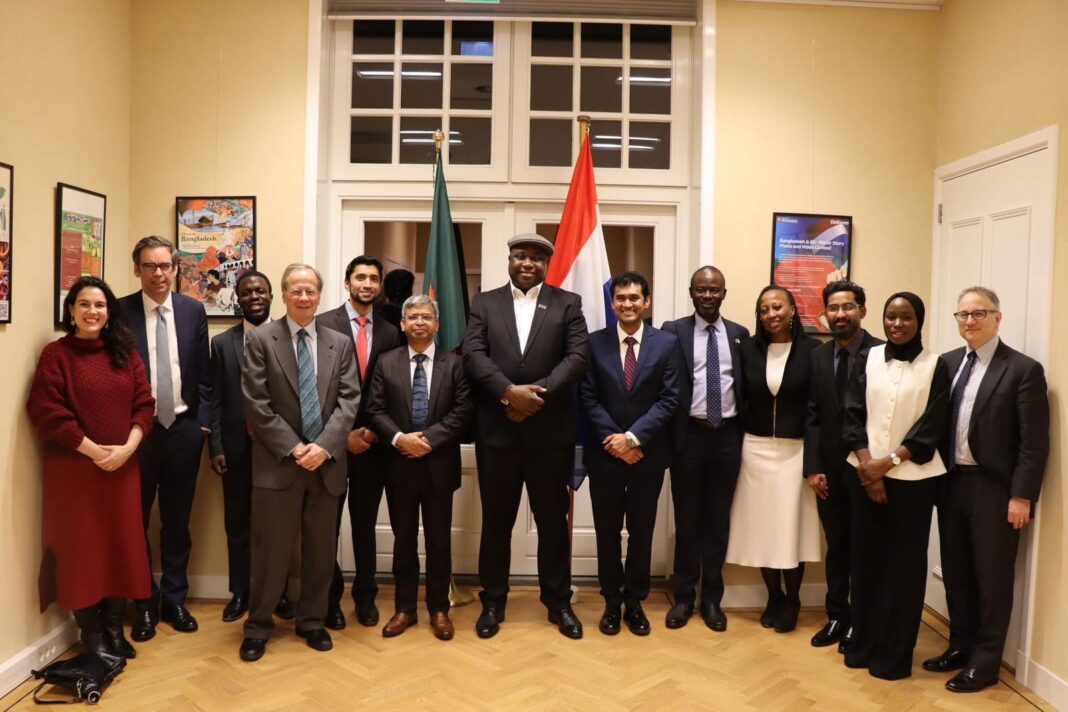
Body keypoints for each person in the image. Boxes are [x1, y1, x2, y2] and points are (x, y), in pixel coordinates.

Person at [923, 287, 1049, 693]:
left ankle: (985, 662)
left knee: (992, 580)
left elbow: (1033, 443)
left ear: (997, 318)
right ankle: (960, 646)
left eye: (979, 313)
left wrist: (1022, 495)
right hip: (950, 484)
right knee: (957, 573)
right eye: (963, 314)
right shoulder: (947, 363)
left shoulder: (1023, 370)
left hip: (995, 490)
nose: (970, 321)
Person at [463, 233, 589, 640]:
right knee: (496, 523)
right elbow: (473, 355)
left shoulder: (568, 303)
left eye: (536, 258)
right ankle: (493, 602)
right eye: (521, 256)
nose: (528, 263)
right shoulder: (485, 303)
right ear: (510, 260)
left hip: (549, 435)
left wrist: (536, 396)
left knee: (552, 523)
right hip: (497, 434)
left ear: (546, 264)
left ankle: (558, 602)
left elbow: (577, 357)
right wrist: (508, 392)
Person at [28, 276, 155, 659]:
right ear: (71, 311)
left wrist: (127, 449)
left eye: (99, 305)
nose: (92, 311)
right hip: (74, 473)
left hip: (122, 469)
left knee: (120, 545)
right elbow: (47, 411)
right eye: (83, 304)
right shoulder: (56, 355)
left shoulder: (126, 354)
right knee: (81, 550)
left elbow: (144, 404)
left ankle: (114, 626)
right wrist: (94, 451)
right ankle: (93, 633)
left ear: (109, 312)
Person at [239, 264, 360, 662]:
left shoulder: (339, 343)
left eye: (310, 290)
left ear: (319, 295)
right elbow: (256, 403)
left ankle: (312, 621)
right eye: (296, 290)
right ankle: (258, 626)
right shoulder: (261, 339)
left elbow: (349, 401)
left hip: (326, 466)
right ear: (284, 294)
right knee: (270, 553)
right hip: (278, 465)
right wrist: (295, 448)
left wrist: (323, 447)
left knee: (321, 552)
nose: (304, 297)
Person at [842, 292, 950, 680]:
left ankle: (893, 656)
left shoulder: (936, 365)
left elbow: (932, 426)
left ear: (919, 321)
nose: (897, 324)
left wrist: (887, 464)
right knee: (865, 563)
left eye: (906, 317)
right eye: (891, 316)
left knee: (903, 570)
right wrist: (869, 468)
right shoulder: (868, 358)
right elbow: (852, 413)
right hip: (864, 475)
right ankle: (863, 644)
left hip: (913, 482)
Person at [578, 272, 683, 637]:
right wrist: (616, 441)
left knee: (641, 531)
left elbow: (669, 398)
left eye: (634, 298)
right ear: (612, 303)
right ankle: (611, 601)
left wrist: (634, 439)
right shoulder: (594, 343)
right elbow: (588, 397)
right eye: (621, 298)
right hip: (605, 456)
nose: (627, 304)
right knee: (607, 532)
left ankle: (635, 602)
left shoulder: (667, 344)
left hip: (647, 456)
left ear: (646, 302)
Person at [119, 235, 212, 641]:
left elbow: (204, 374)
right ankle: (143, 602)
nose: (158, 273)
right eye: (150, 266)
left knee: (177, 522)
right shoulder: (119, 312)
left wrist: (202, 425)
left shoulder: (193, 311)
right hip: (137, 434)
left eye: (165, 266)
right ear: (136, 269)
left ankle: (174, 600)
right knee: (134, 520)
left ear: (175, 268)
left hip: (184, 431)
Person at [367, 295, 474, 641]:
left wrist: (427, 439)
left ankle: (439, 609)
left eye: (426, 317)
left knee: (439, 541)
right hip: (398, 466)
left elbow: (462, 411)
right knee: (404, 542)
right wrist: (400, 439)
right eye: (412, 316)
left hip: (439, 465)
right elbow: (375, 409)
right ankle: (405, 608)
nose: (419, 322)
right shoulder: (385, 362)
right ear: (402, 324)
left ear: (437, 324)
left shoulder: (455, 364)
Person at [726, 286, 820, 633]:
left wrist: (815, 462)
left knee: (790, 529)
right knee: (763, 529)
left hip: (795, 452)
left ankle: (793, 599)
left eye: (777, 307)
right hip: (756, 449)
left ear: (792, 309)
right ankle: (773, 597)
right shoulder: (747, 349)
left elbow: (817, 409)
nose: (771, 314)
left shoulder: (813, 350)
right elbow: (740, 397)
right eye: (764, 309)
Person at [661, 266, 749, 632]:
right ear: (691, 292)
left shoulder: (740, 335)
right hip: (689, 437)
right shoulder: (672, 331)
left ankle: (712, 599)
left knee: (717, 522)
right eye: (701, 289)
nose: (708, 296)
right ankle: (683, 597)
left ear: (724, 293)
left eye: (714, 290)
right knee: (687, 521)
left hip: (727, 437)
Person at [318, 255, 403, 630]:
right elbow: (315, 390)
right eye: (360, 277)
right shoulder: (322, 324)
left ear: (380, 286)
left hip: (373, 446)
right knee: (327, 527)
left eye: (373, 278)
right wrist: (342, 436)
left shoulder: (391, 331)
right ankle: (329, 599)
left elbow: (393, 388)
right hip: (331, 446)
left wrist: (371, 430)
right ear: (347, 282)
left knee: (364, 526)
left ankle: (365, 597)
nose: (367, 284)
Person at [208, 270, 294, 622]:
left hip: (279, 449)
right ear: (238, 299)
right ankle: (241, 592)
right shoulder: (222, 344)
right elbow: (214, 399)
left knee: (277, 526)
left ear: (272, 296)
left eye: (260, 291)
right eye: (246, 292)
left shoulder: (290, 338)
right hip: (237, 448)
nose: (254, 297)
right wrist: (216, 446)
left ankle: (278, 592)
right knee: (237, 523)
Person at [804, 281, 882, 650]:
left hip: (868, 468)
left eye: (848, 307)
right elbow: (813, 415)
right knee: (836, 545)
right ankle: (837, 615)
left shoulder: (883, 353)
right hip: (830, 470)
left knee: (865, 547)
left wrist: (876, 466)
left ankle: (863, 621)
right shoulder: (818, 356)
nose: (840, 314)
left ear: (862, 311)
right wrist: (813, 467)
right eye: (833, 308)